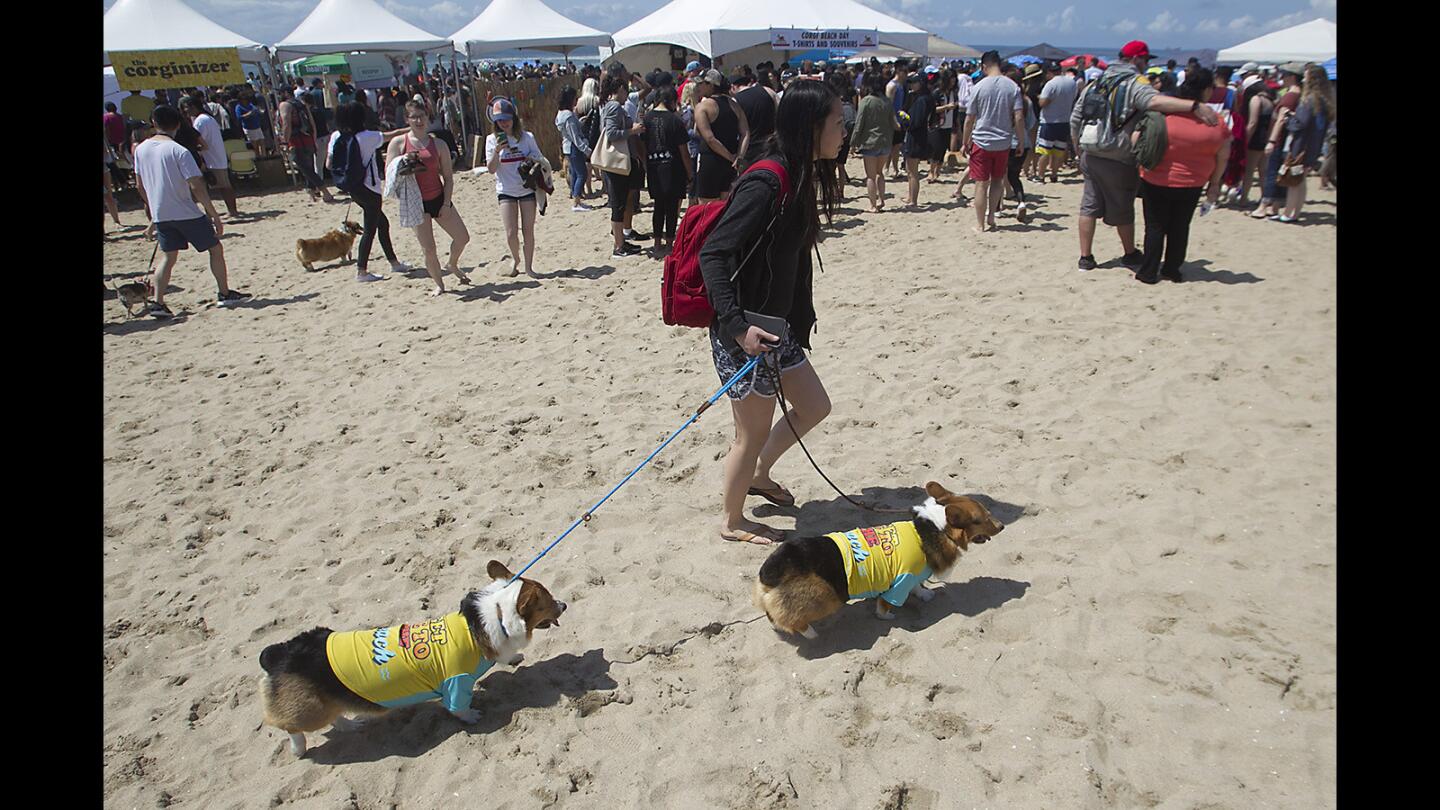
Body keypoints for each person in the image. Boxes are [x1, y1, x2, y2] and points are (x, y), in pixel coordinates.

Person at [698, 79, 844, 545]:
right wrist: (738, 328)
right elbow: (714, 254)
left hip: (778, 331)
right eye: (838, 123)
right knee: (750, 433)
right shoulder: (768, 179)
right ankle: (732, 520)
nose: (845, 132)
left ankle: (760, 473)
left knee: (815, 406)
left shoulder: (800, 173)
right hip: (743, 334)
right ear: (811, 127)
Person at [1069, 40, 1220, 270]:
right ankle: (1129, 253)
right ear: (1136, 59)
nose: (1146, 65)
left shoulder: (1097, 81)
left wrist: (1078, 149)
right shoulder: (1134, 82)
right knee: (1123, 208)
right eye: (1145, 60)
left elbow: (1075, 118)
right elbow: (1153, 101)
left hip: (1091, 152)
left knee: (1088, 206)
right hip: (1118, 156)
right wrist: (1193, 106)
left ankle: (1085, 257)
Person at [132, 104, 250, 318]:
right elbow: (197, 185)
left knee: (168, 257)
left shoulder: (140, 149)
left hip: (161, 212)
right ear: (177, 124)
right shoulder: (179, 151)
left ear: (154, 123)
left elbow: (140, 186)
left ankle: (158, 302)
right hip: (186, 211)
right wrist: (213, 214)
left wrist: (152, 212)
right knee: (215, 249)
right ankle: (224, 293)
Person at [1134, 69, 1231, 284]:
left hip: (1156, 178)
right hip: (1193, 182)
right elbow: (1223, 157)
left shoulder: (1165, 114)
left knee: (1155, 227)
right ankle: (1172, 270)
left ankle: (1148, 272)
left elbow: (1136, 138)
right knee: (1180, 227)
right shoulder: (1216, 123)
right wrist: (1214, 184)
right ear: (1206, 90)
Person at [387, 101, 471, 295]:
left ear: (427, 118)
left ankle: (452, 264)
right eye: (414, 117)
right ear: (407, 119)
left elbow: (448, 178)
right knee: (429, 249)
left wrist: (446, 203)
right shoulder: (399, 143)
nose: (419, 120)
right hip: (415, 201)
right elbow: (390, 176)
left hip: (438, 196)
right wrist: (404, 163)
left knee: (462, 237)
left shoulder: (438, 144)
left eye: (422, 116)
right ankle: (440, 285)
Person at [326, 102, 410, 283]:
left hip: (353, 188)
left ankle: (394, 262)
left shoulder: (336, 136)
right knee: (370, 229)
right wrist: (413, 127)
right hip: (369, 188)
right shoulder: (366, 136)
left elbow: (328, 164)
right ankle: (362, 271)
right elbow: (392, 135)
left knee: (382, 223)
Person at [962, 51, 1024, 234]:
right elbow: (1019, 117)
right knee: (997, 180)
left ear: (984, 66)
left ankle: (980, 224)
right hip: (1003, 141)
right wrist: (1020, 141)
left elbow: (969, 119)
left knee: (981, 183)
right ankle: (991, 217)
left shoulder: (979, 87)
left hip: (982, 141)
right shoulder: (1012, 87)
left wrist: (965, 141)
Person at [485, 98, 543, 277]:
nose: (504, 123)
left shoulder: (527, 137)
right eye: (500, 120)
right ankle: (516, 258)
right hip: (505, 190)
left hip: (526, 188)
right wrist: (497, 151)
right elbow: (490, 169)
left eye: (507, 119)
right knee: (511, 233)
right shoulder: (491, 140)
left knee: (528, 231)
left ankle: (529, 267)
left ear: (514, 118)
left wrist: (528, 161)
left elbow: (539, 158)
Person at [1273, 64, 1334, 223]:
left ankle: (1288, 213)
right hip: (1313, 146)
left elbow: (1300, 124)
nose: (1304, 78)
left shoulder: (1309, 100)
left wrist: (1288, 119)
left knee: (1293, 181)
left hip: (1301, 146)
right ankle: (1295, 213)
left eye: (1306, 76)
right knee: (1301, 181)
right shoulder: (1325, 100)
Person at [599, 72, 646, 257]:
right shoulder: (614, 107)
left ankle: (621, 243)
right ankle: (618, 246)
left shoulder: (612, 106)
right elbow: (612, 134)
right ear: (620, 90)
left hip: (619, 161)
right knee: (618, 204)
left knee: (620, 202)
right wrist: (632, 130)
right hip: (616, 162)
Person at [642, 85, 692, 254]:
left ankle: (657, 242)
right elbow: (684, 151)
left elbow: (641, 144)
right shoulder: (675, 120)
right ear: (671, 101)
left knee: (658, 207)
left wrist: (645, 162)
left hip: (653, 167)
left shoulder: (647, 119)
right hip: (673, 169)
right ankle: (669, 242)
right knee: (671, 208)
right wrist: (690, 173)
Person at [1252, 66, 1301, 219]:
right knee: (1280, 173)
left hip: (1280, 139)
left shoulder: (1290, 96)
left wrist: (1271, 141)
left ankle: (1263, 206)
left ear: (1291, 77)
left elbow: (1280, 120)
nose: (1282, 77)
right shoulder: (1299, 95)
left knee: (1272, 172)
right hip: (1288, 140)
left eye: (1284, 74)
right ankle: (1275, 206)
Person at [693, 69, 750, 203]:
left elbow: (710, 139)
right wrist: (739, 157)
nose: (698, 87)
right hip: (730, 163)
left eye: (701, 83)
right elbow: (745, 133)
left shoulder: (702, 107)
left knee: (706, 207)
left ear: (711, 85)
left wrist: (731, 158)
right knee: (725, 205)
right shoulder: (735, 105)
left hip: (710, 160)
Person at [180, 95, 240, 218]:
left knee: (223, 186)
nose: (186, 111)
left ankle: (232, 211)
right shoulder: (208, 118)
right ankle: (230, 210)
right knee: (223, 186)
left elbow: (200, 140)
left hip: (212, 158)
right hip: (216, 156)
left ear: (193, 107)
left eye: (187, 108)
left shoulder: (201, 120)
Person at [280, 88, 334, 203]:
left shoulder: (285, 105)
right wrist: (313, 138)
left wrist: (285, 142)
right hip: (309, 139)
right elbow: (311, 123)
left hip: (296, 141)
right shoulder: (301, 104)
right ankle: (312, 193)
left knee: (306, 169)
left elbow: (286, 123)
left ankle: (325, 192)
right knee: (309, 167)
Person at [852, 72, 895, 213]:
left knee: (870, 176)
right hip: (885, 141)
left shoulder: (866, 101)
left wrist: (853, 142)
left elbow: (859, 124)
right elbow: (892, 122)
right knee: (879, 173)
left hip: (870, 142)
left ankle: (873, 205)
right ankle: (882, 200)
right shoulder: (886, 101)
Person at [1037, 61, 1079, 183]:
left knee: (1045, 150)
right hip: (1065, 120)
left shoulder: (1051, 84)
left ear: (1049, 72)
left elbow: (1043, 103)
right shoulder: (1072, 82)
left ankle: (1041, 176)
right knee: (1058, 150)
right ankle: (1054, 174)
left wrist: (1040, 98)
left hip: (1049, 121)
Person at [555, 87, 593, 212]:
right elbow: (575, 137)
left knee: (575, 173)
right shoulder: (569, 116)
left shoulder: (560, 114)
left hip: (567, 147)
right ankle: (576, 201)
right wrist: (587, 150)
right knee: (582, 173)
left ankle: (576, 198)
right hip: (573, 147)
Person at [901, 73, 933, 207]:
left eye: (914, 82)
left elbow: (915, 122)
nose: (911, 85)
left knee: (913, 171)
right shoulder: (924, 98)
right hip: (919, 135)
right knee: (910, 170)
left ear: (920, 83)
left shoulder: (921, 100)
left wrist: (905, 118)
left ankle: (913, 199)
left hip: (916, 137)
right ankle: (910, 197)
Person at [928, 68, 959, 183]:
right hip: (937, 124)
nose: (953, 80)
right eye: (951, 78)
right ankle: (931, 171)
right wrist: (946, 107)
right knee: (935, 149)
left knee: (943, 149)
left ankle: (937, 172)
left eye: (954, 78)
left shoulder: (953, 93)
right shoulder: (937, 92)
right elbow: (931, 109)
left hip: (949, 124)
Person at [732, 71, 778, 143]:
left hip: (752, 146)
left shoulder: (735, 101)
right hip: (773, 142)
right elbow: (781, 112)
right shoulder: (768, 90)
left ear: (733, 87)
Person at [885, 60, 911, 178]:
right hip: (893, 120)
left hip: (900, 117)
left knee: (895, 146)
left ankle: (889, 168)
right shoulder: (892, 85)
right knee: (895, 146)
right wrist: (893, 121)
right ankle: (893, 169)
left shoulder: (901, 85)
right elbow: (889, 105)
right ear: (898, 71)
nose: (906, 74)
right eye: (904, 71)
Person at [234, 92, 269, 156]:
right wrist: (249, 114)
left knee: (262, 142)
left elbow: (256, 109)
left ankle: (264, 157)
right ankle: (257, 158)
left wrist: (259, 111)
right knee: (255, 146)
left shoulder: (250, 104)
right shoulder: (238, 107)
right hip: (249, 128)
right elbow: (239, 117)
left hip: (257, 126)